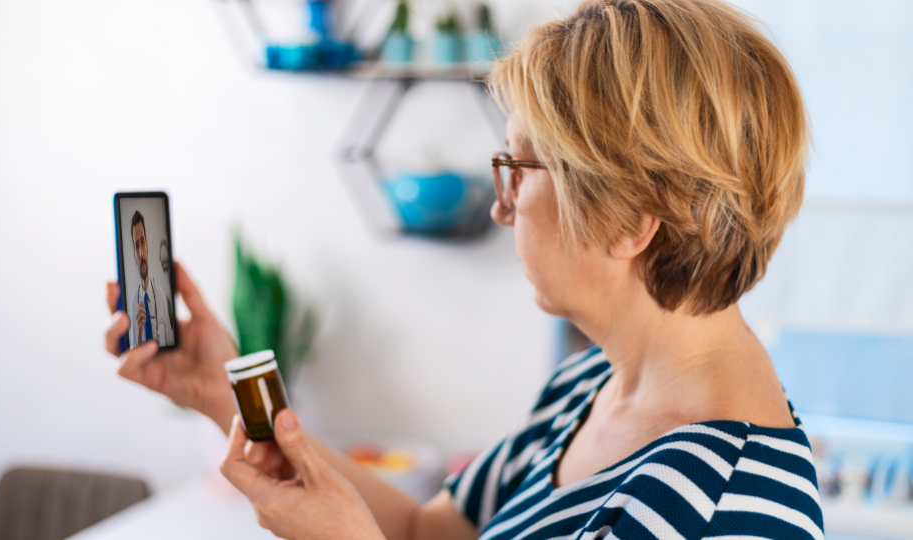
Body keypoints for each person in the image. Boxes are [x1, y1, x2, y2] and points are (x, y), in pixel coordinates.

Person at [104, 0, 821, 538]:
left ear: (631, 219)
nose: (502, 208)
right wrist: (227, 390)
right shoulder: (595, 384)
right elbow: (426, 532)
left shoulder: (728, 510)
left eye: (517, 168)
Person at [129, 210, 174, 347]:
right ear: (135, 257)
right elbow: (134, 357)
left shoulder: (161, 296)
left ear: (147, 246)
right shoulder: (134, 304)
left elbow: (171, 341)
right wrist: (139, 331)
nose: (141, 252)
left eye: (142, 242)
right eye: (137, 246)